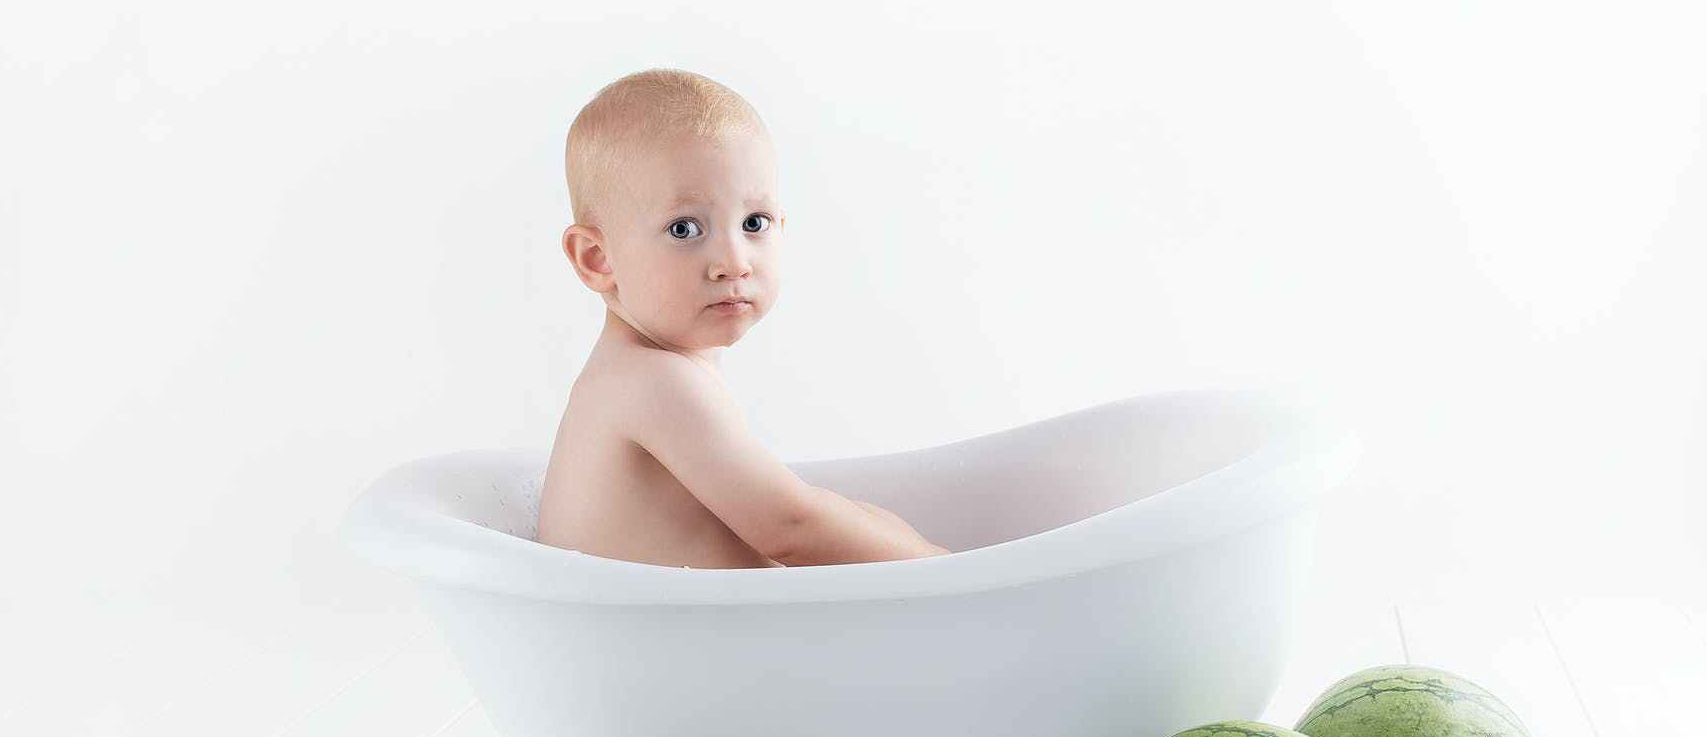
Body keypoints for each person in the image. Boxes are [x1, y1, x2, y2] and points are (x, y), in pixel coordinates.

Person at [534, 68, 951, 569]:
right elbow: (790, 528)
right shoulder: (650, 381)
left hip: (704, 637)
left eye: (755, 223)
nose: (734, 261)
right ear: (598, 259)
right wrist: (949, 570)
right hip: (673, 646)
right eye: (684, 229)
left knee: (868, 519)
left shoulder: (652, 370)